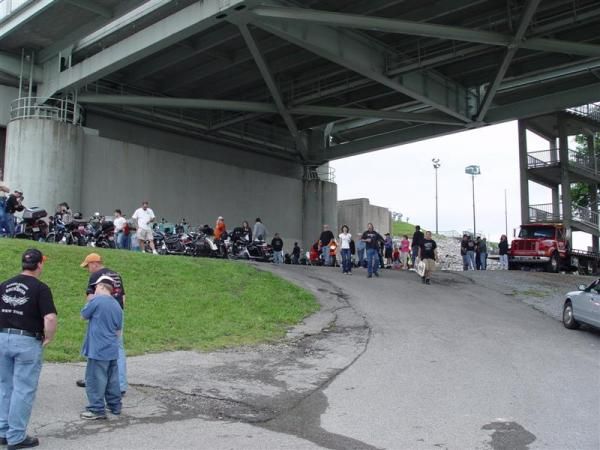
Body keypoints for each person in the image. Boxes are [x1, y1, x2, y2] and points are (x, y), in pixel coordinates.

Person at [0, 249, 57, 449]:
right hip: (26, 341)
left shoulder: (4, 285)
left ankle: (2, 430)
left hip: (2, 337)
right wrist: (48, 336)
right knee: (23, 389)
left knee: (4, 386)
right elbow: (49, 318)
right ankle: (16, 436)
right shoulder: (40, 288)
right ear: (39, 264)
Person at [77, 253, 128, 396]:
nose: (88, 269)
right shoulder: (116, 275)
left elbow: (91, 297)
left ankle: (92, 379)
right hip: (117, 312)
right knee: (118, 347)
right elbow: (123, 297)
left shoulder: (96, 276)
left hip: (100, 314)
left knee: (94, 345)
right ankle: (120, 384)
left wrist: (88, 312)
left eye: (88, 266)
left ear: (94, 263)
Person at [80, 275, 123, 420]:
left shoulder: (96, 301)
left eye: (96, 287)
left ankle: (97, 409)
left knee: (95, 379)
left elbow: (84, 315)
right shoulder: (117, 304)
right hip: (112, 347)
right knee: (112, 379)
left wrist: (90, 301)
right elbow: (118, 329)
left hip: (97, 348)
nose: (95, 290)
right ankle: (115, 405)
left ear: (102, 286)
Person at [0, 171, 10, 237]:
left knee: (5, 218)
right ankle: (3, 232)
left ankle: (7, 233)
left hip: (3, 200)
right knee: (2, 216)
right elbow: (4, 189)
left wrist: (1, 187)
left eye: (0, 173)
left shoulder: (4, 182)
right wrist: (2, 188)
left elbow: (8, 190)